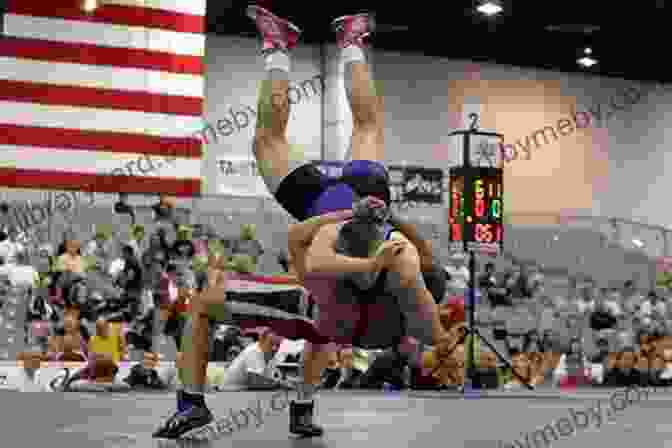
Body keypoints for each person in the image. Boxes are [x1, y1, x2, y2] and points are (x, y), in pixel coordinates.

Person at [152, 7, 454, 439]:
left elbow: (314, 255)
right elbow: (409, 281)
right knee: (321, 314)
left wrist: (371, 218)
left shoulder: (372, 270)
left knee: (329, 132)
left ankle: (346, 43)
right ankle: (281, 47)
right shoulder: (392, 300)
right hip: (340, 226)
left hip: (344, 210)